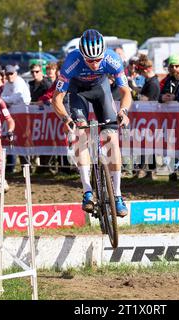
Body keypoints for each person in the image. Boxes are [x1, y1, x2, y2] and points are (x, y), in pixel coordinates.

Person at [51, 29, 131, 217]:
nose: (95, 64)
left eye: (98, 60)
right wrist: (65, 118)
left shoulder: (112, 59)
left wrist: (123, 111)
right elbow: (56, 99)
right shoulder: (72, 62)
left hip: (101, 90)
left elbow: (126, 92)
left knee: (112, 138)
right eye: (90, 60)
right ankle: (87, 191)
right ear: (82, 55)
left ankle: (118, 195)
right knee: (80, 136)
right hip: (77, 92)